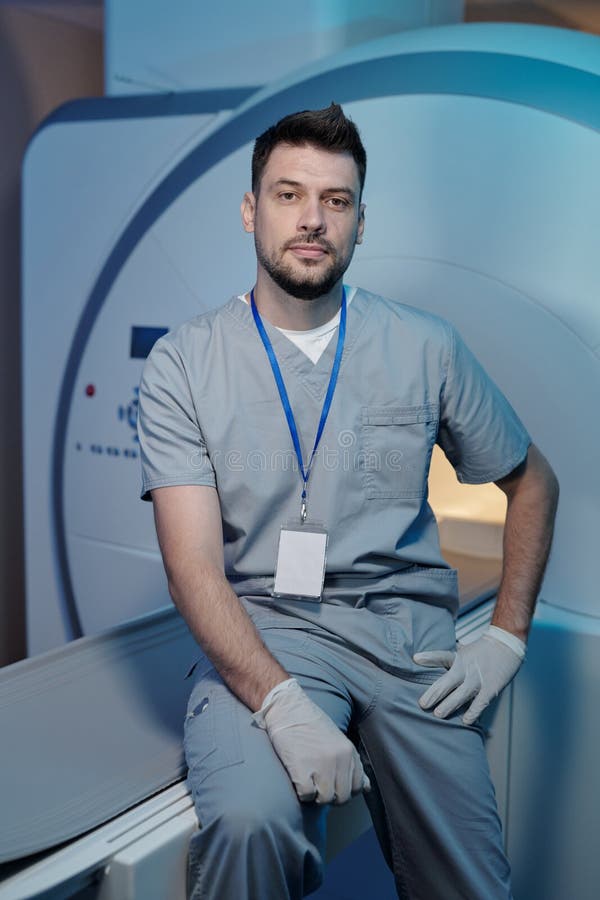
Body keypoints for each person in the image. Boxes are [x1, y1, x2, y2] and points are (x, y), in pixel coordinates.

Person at [137, 103, 559, 900]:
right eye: (289, 194)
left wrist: (506, 637)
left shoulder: (425, 345)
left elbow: (532, 480)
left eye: (336, 201)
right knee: (252, 825)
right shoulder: (184, 363)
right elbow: (192, 567)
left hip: (406, 639)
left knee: (473, 883)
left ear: (361, 223)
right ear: (249, 210)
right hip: (266, 627)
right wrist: (281, 703)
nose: (312, 219)